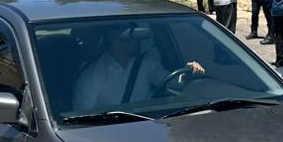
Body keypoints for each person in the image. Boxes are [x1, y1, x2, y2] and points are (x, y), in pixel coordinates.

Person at [73, 23, 205, 112]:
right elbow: (82, 118)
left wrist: (188, 74)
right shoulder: (91, 76)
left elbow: (170, 83)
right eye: (132, 36)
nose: (138, 40)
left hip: (150, 124)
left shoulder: (145, 64)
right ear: (114, 39)